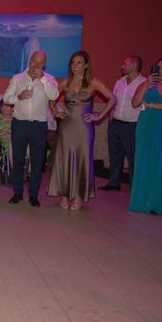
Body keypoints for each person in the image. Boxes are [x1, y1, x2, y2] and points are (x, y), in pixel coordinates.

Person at [47, 51, 115, 210]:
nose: (75, 66)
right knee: (64, 159)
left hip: (84, 128)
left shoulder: (93, 82)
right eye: (73, 63)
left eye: (79, 62)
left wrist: (99, 115)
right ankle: (64, 195)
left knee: (82, 160)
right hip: (66, 127)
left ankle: (78, 197)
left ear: (86, 65)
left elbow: (113, 98)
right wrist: (55, 111)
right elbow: (50, 99)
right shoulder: (65, 83)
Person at [3, 50, 59, 207]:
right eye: (35, 61)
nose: (36, 65)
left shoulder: (49, 79)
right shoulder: (17, 78)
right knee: (18, 160)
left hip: (39, 125)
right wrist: (18, 97)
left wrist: (43, 80)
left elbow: (54, 96)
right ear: (30, 60)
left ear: (44, 65)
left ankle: (33, 195)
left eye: (40, 63)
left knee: (37, 162)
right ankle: (17, 192)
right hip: (19, 123)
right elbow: (6, 97)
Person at [99, 55, 147, 191]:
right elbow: (113, 101)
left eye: (125, 64)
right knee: (115, 155)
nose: (122, 66)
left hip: (132, 126)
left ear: (134, 65)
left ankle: (135, 187)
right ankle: (114, 183)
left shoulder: (144, 83)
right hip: (115, 124)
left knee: (133, 158)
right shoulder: (119, 82)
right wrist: (110, 120)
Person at [129, 57, 162, 214]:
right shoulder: (147, 85)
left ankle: (158, 203)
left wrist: (151, 105)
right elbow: (135, 103)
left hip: (161, 128)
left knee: (160, 163)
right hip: (146, 128)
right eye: (159, 68)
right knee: (144, 162)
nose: (161, 72)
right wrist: (146, 85)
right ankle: (142, 202)